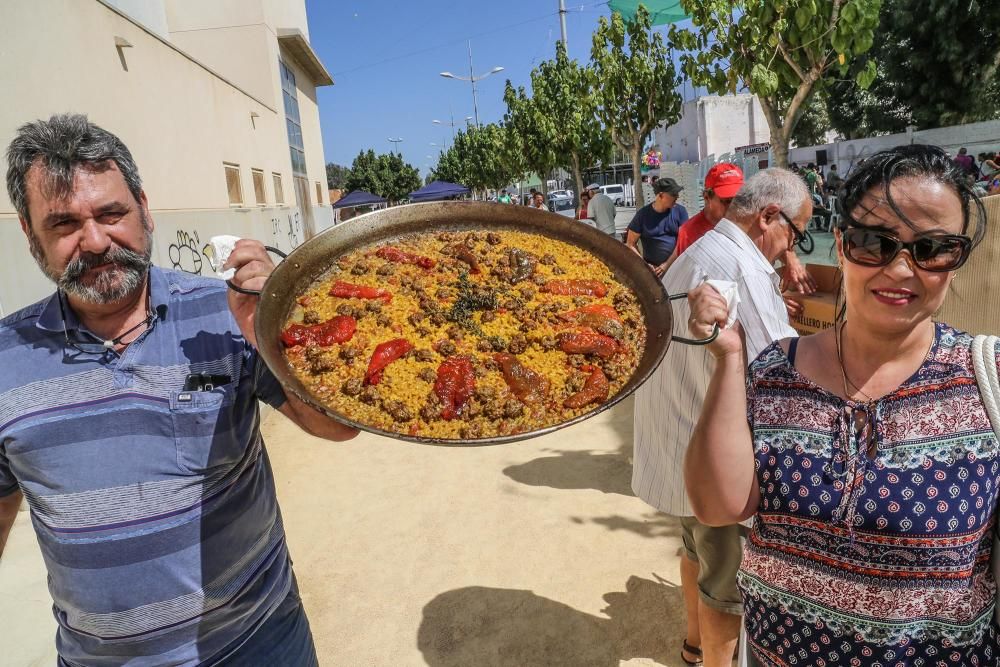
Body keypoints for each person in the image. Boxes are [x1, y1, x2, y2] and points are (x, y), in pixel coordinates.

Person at [0, 114, 358, 666]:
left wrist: (273, 333)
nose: (95, 241)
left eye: (111, 213)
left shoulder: (227, 311)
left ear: (144, 208)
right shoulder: (6, 357)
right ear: (30, 234)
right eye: (65, 223)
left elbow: (339, 426)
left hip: (260, 644)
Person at [685, 145, 996, 666]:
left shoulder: (988, 377)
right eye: (876, 242)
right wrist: (729, 359)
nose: (901, 269)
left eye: (934, 249)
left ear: (957, 262)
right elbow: (719, 507)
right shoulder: (772, 370)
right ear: (843, 247)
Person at [632, 168, 813, 667]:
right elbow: (777, 375)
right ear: (769, 217)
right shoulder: (742, 268)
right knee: (727, 594)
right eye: (796, 234)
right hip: (717, 464)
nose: (792, 246)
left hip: (683, 449)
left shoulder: (701, 252)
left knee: (694, 555)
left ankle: (693, 647)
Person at [669, 162, 744, 260]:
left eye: (739, 200)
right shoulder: (689, 234)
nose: (735, 207)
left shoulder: (747, 222)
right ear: (707, 197)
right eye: (727, 201)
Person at [625, 177, 689, 277]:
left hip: (676, 268)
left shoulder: (680, 212)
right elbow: (630, 244)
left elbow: (684, 241)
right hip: (652, 272)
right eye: (673, 194)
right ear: (660, 195)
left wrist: (666, 265)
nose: (677, 196)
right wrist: (645, 265)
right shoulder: (642, 215)